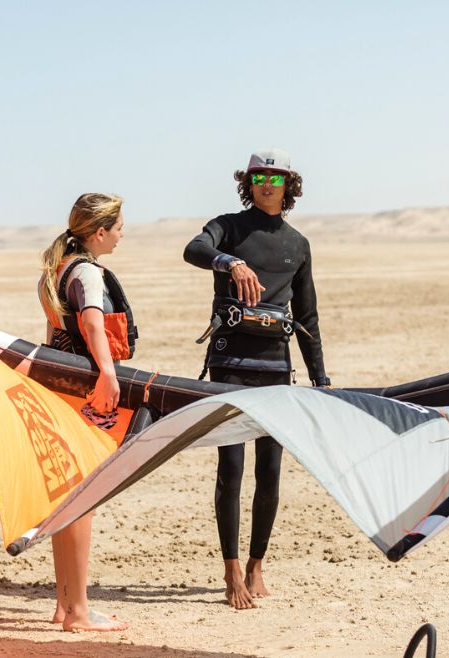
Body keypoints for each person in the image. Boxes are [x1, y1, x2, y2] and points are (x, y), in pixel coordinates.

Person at [183, 148, 329, 610]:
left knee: (269, 473)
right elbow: (194, 249)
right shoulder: (228, 226)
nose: (267, 183)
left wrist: (320, 380)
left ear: (289, 185)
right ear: (249, 182)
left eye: (277, 177)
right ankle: (230, 571)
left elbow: (307, 316)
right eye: (259, 176)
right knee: (231, 470)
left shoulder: (298, 244)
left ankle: (255, 565)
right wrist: (229, 262)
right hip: (230, 364)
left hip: (275, 367)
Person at [36, 192, 131, 632]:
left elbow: (54, 333)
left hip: (58, 386)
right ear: (99, 232)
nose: (121, 234)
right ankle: (78, 612)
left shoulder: (57, 269)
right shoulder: (88, 273)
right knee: (82, 497)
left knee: (67, 498)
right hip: (83, 391)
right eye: (117, 227)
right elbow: (93, 324)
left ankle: (64, 605)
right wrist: (107, 375)